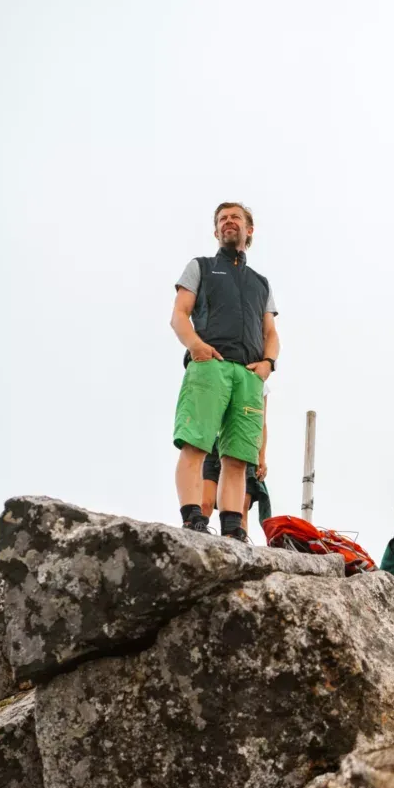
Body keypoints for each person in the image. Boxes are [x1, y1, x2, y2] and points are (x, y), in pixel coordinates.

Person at [171, 202, 279, 540]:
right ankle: (193, 519)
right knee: (195, 443)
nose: (228, 222)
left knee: (238, 457)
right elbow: (179, 314)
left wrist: (268, 364)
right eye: (222, 219)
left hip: (248, 374)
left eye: (235, 217)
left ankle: (234, 529)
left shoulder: (261, 283)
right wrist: (196, 346)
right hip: (210, 365)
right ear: (216, 231)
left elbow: (271, 332)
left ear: (249, 229)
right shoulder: (201, 266)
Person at [201, 382, 272, 533]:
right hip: (214, 445)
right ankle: (196, 532)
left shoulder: (260, 384)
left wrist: (262, 457)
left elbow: (262, 423)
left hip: (243, 444)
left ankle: (238, 542)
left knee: (241, 509)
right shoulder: (224, 373)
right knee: (205, 502)